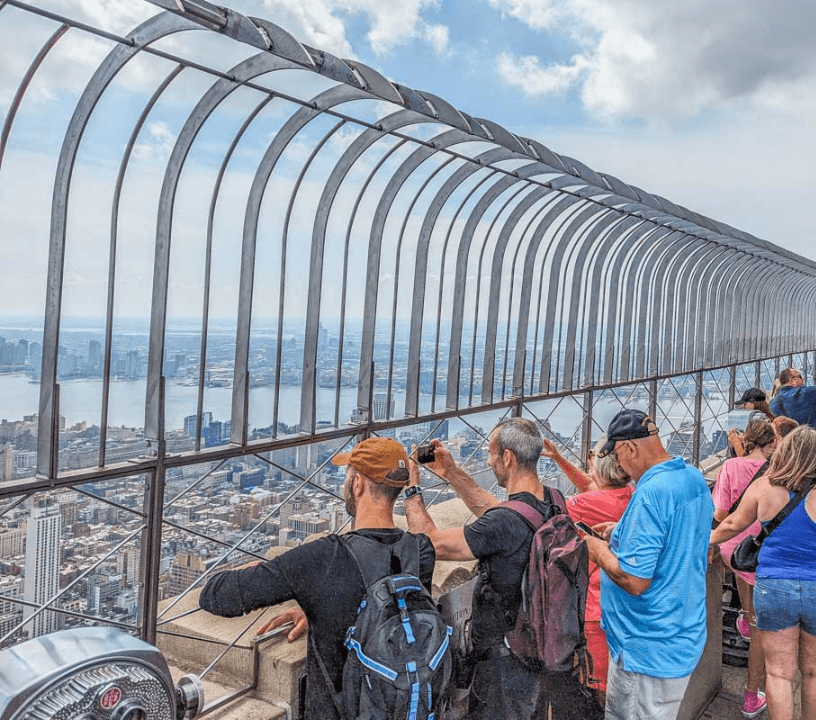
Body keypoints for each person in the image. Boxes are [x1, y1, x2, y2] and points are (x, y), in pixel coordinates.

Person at [198, 437, 436, 720]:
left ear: (357, 484)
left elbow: (216, 597)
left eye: (348, 475)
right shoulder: (421, 552)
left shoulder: (322, 558)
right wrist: (314, 605)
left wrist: (253, 571)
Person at [404, 417, 595, 720]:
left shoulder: (503, 523)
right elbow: (500, 512)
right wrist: (451, 472)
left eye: (492, 454)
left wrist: (412, 490)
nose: (490, 461)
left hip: (505, 664)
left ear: (507, 457)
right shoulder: (554, 502)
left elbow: (429, 542)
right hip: (544, 649)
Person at [583, 409, 713, 720]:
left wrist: (596, 548)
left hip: (646, 649)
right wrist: (622, 530)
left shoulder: (652, 492)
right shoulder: (691, 477)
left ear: (630, 447)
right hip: (680, 631)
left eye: (618, 456)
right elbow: (681, 535)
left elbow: (634, 580)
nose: (620, 467)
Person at [710, 426, 816, 720]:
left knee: (779, 674)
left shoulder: (765, 486)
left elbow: (731, 526)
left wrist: (701, 541)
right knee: (812, 673)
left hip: (773, 587)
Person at [711, 419, 777, 718]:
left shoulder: (731, 466)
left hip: (733, 548)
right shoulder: (779, 472)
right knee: (762, 630)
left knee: (742, 576)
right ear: (771, 443)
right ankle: (752, 696)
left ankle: (746, 618)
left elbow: (721, 512)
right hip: (763, 550)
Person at [562, 435, 633, 703]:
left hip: (596, 606)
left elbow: (545, 511)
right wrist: (558, 457)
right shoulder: (628, 494)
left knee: (602, 690)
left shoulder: (583, 506)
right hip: (623, 602)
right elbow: (592, 487)